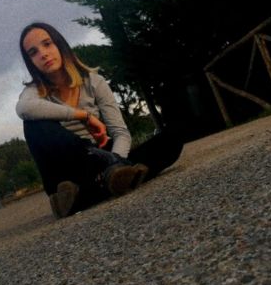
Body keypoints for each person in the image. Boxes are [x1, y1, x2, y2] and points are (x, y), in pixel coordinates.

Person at [15, 22, 182, 218]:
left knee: (171, 140)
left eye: (47, 44)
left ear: (59, 44)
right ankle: (114, 179)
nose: (43, 54)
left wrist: (117, 161)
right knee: (33, 124)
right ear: (30, 62)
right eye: (33, 52)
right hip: (66, 171)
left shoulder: (94, 82)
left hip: (102, 160)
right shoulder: (33, 92)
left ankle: (87, 192)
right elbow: (23, 108)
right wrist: (83, 116)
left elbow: (120, 132)